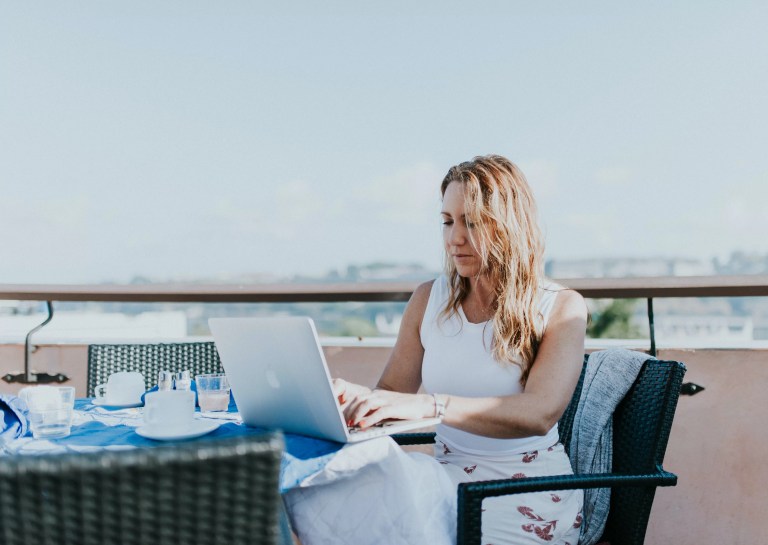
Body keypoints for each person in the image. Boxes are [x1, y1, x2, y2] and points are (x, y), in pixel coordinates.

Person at [285, 154, 586, 545]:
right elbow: (394, 394)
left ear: (510, 226)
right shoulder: (429, 299)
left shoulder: (560, 306)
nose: (454, 239)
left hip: (525, 494)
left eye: (472, 222)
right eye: (447, 221)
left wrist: (433, 407)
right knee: (331, 499)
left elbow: (540, 413)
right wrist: (356, 403)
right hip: (445, 480)